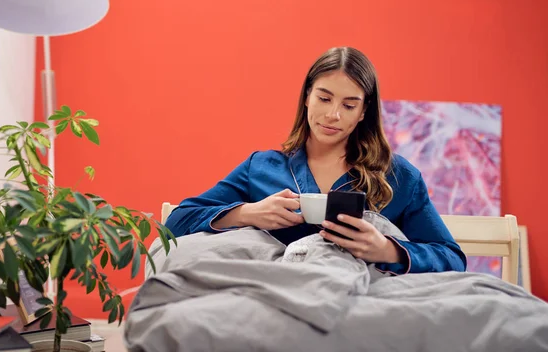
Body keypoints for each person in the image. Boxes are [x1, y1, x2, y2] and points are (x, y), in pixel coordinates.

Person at [166, 46, 466, 275]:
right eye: (324, 99)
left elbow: (451, 257)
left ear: (363, 112)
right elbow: (177, 221)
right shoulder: (261, 167)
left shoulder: (398, 176)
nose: (333, 115)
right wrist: (248, 213)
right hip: (274, 302)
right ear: (307, 96)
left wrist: (386, 250)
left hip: (363, 309)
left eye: (349, 105)